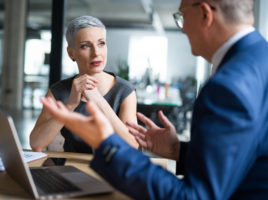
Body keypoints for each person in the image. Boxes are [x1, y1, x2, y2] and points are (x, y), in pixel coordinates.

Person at [40, 0, 268, 199]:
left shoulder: (228, 87)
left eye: (182, 16)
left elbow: (196, 196)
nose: (183, 28)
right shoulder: (260, 59)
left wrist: (106, 145)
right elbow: (241, 158)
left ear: (205, 14)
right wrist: (178, 150)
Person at [30, 16, 138, 153]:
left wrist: (99, 100)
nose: (96, 53)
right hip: (71, 169)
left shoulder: (125, 91)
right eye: (85, 46)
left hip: (112, 171)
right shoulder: (58, 91)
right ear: (71, 53)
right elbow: (36, 143)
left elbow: (133, 145)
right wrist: (70, 105)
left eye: (101, 43)